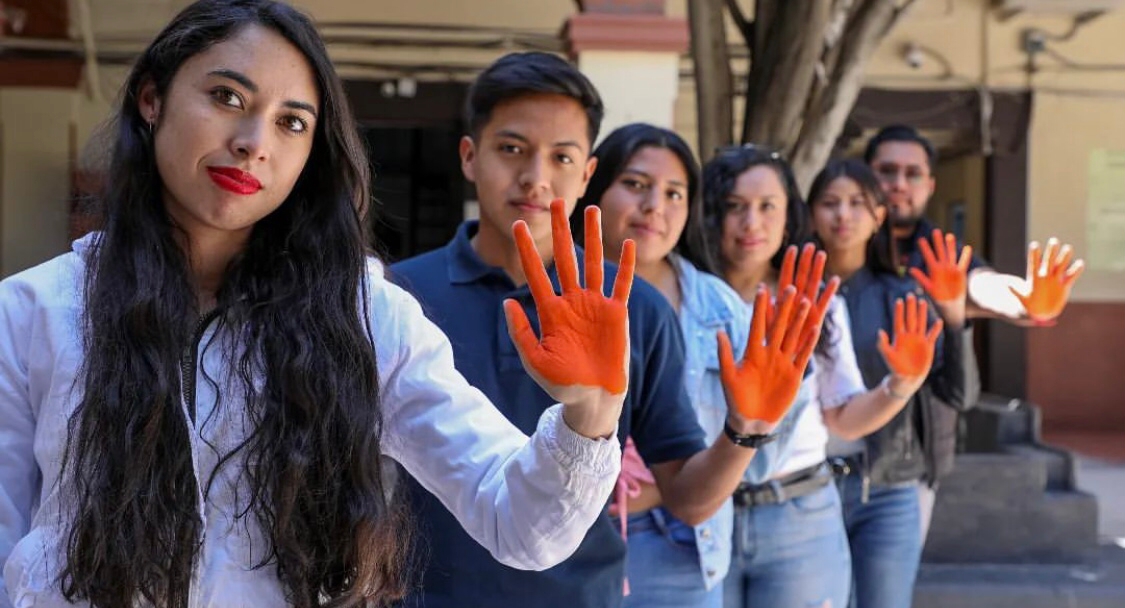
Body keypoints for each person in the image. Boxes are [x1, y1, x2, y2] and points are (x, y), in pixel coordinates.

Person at [0, 2, 638, 606]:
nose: (254, 141)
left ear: (310, 154)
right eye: (227, 97)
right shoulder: (35, 310)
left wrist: (591, 413)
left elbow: (520, 525)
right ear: (152, 100)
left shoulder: (365, 317)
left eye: (291, 122)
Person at [389, 56, 828, 608]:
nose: (536, 176)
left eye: (562, 156)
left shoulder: (634, 307)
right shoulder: (399, 295)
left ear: (587, 174)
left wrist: (745, 431)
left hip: (583, 595)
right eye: (512, 148)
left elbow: (687, 498)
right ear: (470, 157)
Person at [573, 123, 819, 607]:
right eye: (636, 185)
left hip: (681, 548)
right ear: (593, 188)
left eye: (674, 193)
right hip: (567, 541)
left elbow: (759, 461)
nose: (655, 208)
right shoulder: (544, 293)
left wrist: (779, 396)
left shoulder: (723, 311)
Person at [701, 146, 938, 608]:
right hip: (705, 512)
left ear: (790, 216)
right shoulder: (686, 292)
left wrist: (899, 386)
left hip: (799, 515)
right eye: (734, 207)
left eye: (768, 206)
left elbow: (843, 418)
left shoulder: (814, 300)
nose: (752, 223)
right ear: (710, 214)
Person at [864, 124, 1084, 536]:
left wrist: (1023, 297)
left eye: (912, 174)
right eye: (887, 171)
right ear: (866, 175)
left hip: (915, 456)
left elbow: (980, 283)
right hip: (838, 450)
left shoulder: (941, 252)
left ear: (930, 184)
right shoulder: (845, 246)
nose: (898, 184)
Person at [808, 159, 980, 608]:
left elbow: (960, 395)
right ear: (809, 213)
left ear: (879, 215)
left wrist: (954, 316)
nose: (842, 215)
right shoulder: (792, 293)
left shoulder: (902, 295)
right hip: (807, 485)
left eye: (857, 204)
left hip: (888, 486)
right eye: (829, 203)